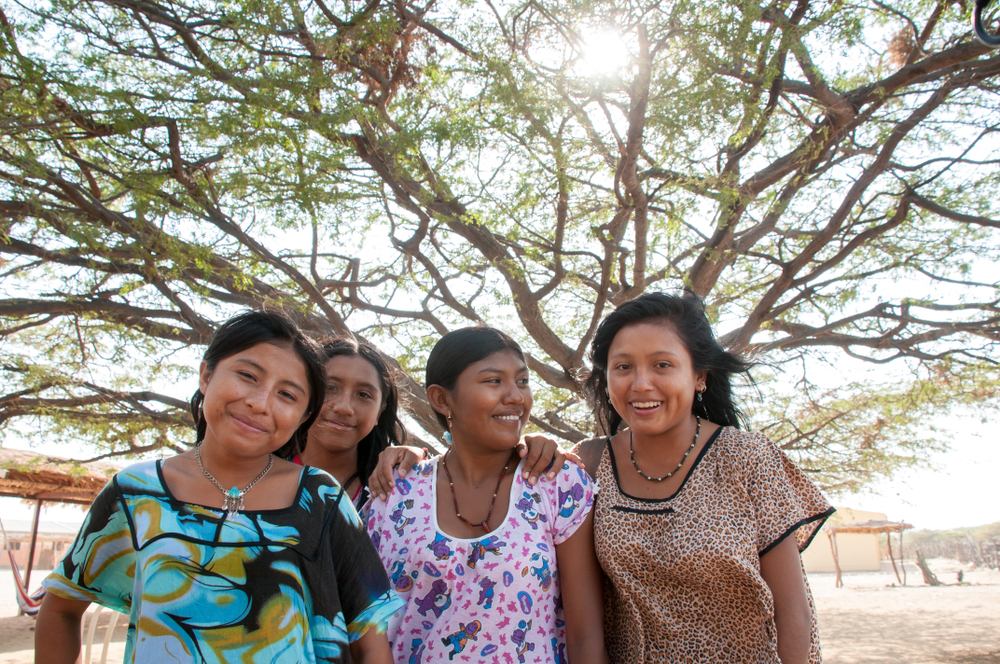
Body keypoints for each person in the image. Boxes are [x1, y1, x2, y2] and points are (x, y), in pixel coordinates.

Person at [35, 310, 402, 664]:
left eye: (287, 395)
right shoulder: (134, 493)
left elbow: (370, 643)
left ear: (303, 416)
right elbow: (62, 607)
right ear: (206, 375)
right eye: (248, 376)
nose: (259, 403)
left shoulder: (320, 499)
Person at [576, 292, 834, 664]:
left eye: (662, 365)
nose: (641, 383)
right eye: (623, 367)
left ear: (699, 376)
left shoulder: (748, 458)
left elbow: (794, 614)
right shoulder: (588, 464)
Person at [364, 326, 608, 664]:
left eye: (522, 381)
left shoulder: (557, 483)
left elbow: (586, 636)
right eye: (494, 381)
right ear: (441, 399)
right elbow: (367, 631)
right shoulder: (393, 492)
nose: (515, 396)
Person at [295, 337, 407, 510]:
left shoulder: (396, 488)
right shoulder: (257, 469)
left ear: (380, 412)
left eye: (363, 395)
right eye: (330, 387)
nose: (344, 407)